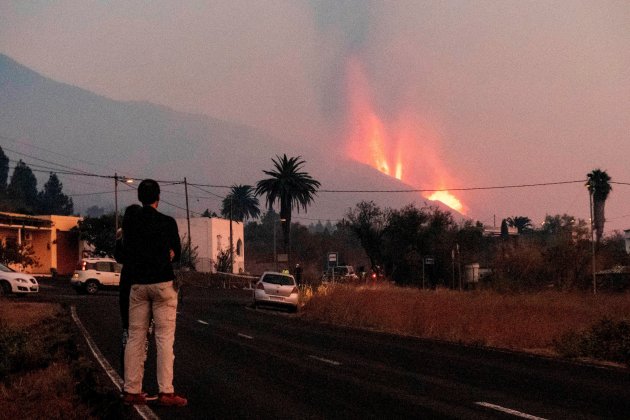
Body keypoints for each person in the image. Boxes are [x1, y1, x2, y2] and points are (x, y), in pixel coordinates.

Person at [121, 179, 187, 407]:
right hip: (162, 284)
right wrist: (166, 254)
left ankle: (132, 390)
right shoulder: (167, 222)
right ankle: (166, 392)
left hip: (138, 285)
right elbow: (177, 253)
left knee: (136, 337)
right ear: (158, 197)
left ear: (139, 197)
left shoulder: (130, 222)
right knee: (164, 339)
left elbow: (125, 250)